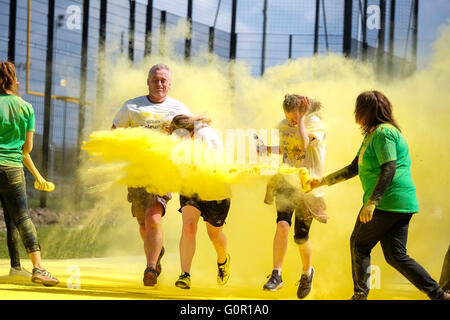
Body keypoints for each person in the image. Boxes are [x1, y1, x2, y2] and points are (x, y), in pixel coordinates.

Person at [309, 90, 450, 300]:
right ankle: (439, 295)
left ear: (366, 111)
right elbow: (353, 168)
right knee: (396, 256)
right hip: (401, 203)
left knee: (359, 244)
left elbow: (389, 168)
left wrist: (372, 203)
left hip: (387, 201)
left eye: (358, 109)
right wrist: (323, 181)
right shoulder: (371, 135)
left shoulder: (383, 133)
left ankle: (360, 296)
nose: (356, 113)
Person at [112, 64, 192, 286]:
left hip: (163, 172)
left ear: (169, 84)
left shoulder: (179, 108)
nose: (159, 84)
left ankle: (149, 269)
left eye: (164, 80)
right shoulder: (131, 106)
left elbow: (192, 135)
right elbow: (115, 132)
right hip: (137, 172)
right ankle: (156, 257)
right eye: (155, 80)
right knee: (143, 224)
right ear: (147, 82)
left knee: (152, 217)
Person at [260, 94, 327, 299]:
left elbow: (303, 144)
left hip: (309, 187)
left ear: (302, 113)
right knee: (282, 225)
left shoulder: (315, 124)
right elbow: (289, 149)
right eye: (288, 118)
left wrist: (300, 121)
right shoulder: (283, 125)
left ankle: (307, 272)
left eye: (294, 118)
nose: (290, 122)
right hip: (287, 181)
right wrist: (267, 149)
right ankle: (276, 275)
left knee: (300, 237)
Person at [0, 61, 59, 286]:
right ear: (15, 81)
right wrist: (38, 176)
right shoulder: (26, 107)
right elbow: (26, 150)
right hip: (12, 169)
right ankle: (39, 269)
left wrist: (39, 177)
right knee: (22, 218)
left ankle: (16, 268)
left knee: (12, 218)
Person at [169, 114, 231, 290]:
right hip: (191, 187)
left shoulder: (205, 134)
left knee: (215, 235)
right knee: (189, 226)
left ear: (188, 131)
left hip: (216, 188)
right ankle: (185, 275)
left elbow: (217, 160)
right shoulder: (180, 140)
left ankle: (222, 261)